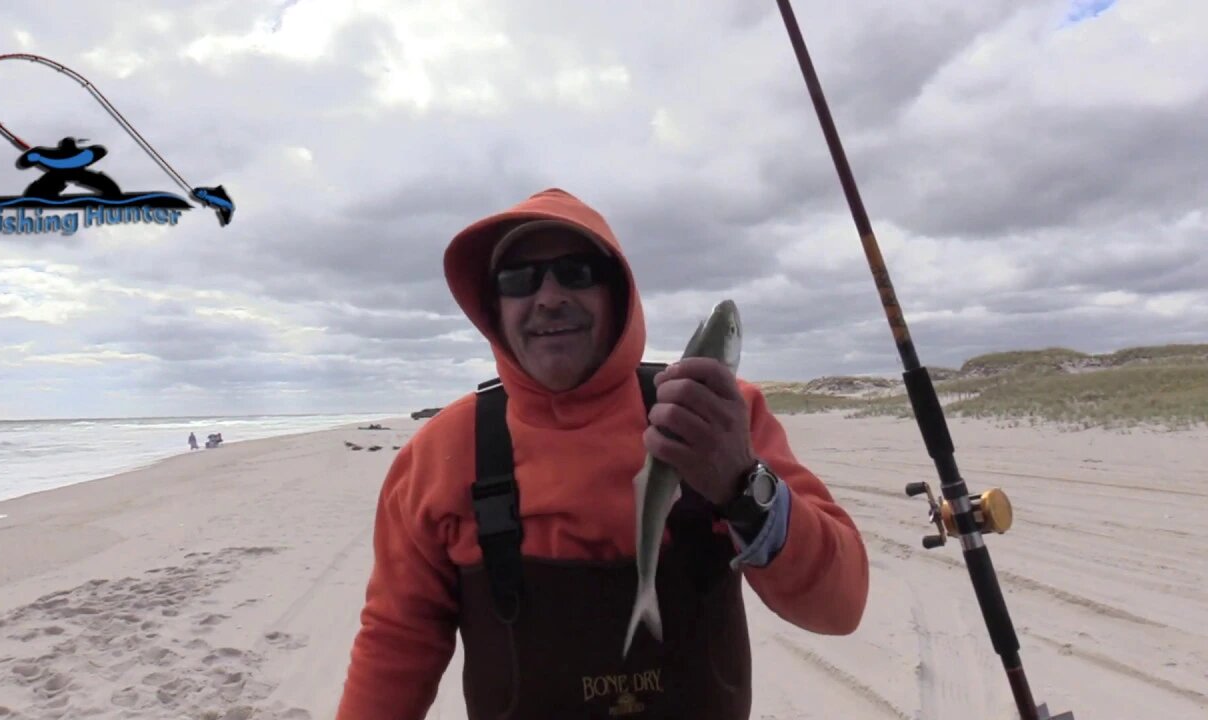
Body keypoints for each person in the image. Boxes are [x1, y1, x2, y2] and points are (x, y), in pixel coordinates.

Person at [335, 188, 869, 719]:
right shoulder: (440, 454)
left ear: (617, 292)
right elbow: (395, 642)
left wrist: (742, 486)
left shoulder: (721, 415)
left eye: (576, 271)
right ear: (492, 307)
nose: (547, 296)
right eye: (518, 279)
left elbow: (840, 606)